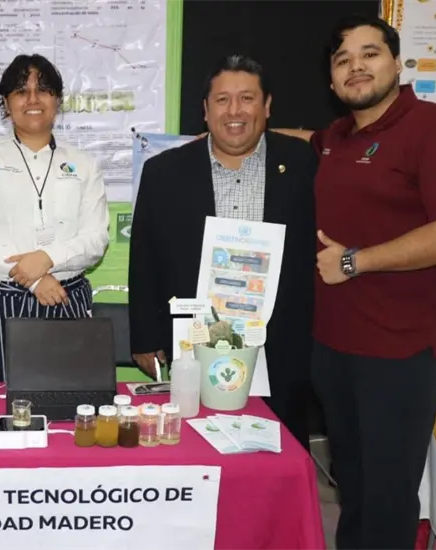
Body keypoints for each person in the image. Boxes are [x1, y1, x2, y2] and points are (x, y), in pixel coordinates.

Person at [287, 15, 436, 550]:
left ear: (397, 63)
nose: (356, 67)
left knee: (387, 495)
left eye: (369, 54)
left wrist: (357, 262)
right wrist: (230, 133)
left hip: (400, 350)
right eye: (343, 59)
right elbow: (310, 138)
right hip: (334, 347)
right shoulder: (339, 138)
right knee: (353, 484)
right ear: (331, 81)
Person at [128, 54, 318, 450]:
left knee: (278, 457)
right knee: (194, 452)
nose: (235, 111)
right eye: (222, 100)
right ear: (205, 110)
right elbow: (145, 258)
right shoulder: (164, 172)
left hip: (281, 344)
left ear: (266, 106)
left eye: (247, 99)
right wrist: (145, 337)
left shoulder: (303, 164)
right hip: (191, 343)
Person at [0, 54, 109, 383]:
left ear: (58, 101)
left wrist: (48, 258)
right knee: (0, 404)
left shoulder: (84, 164)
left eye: (44, 90)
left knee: (72, 404)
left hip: (65, 297)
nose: (33, 99)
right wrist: (35, 278)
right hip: (0, 300)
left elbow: (96, 239)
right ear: (6, 103)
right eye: (22, 91)